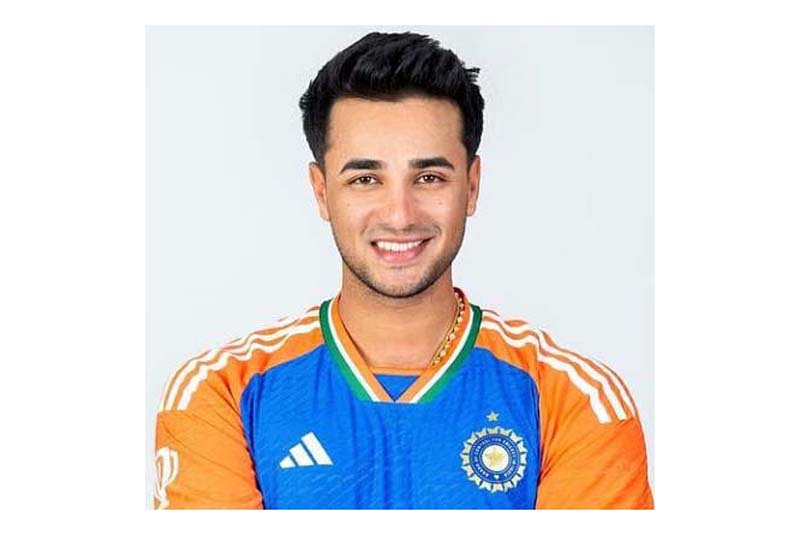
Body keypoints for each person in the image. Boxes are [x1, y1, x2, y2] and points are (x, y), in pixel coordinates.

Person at [153, 31, 654, 509]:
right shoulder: (224, 389)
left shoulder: (574, 397)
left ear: (472, 186)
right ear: (322, 191)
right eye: (365, 179)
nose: (399, 215)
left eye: (429, 177)